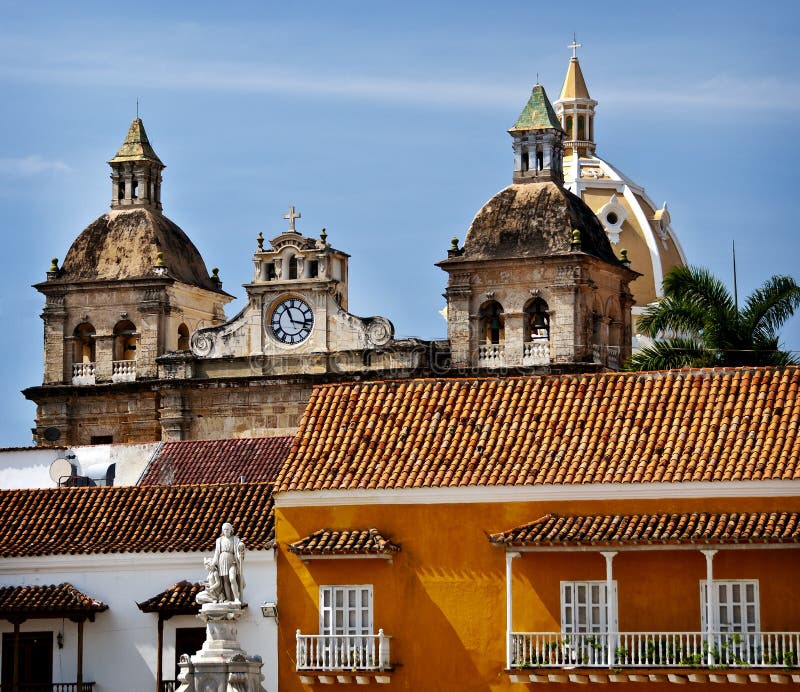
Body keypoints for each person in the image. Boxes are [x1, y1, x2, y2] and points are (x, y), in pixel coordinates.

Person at [211, 522, 246, 604]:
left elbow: (238, 550)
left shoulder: (235, 539)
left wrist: (240, 552)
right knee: (225, 581)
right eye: (224, 529)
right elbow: (217, 553)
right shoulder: (219, 540)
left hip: (232, 561)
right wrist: (213, 562)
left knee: (232, 578)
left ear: (231, 530)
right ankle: (228, 599)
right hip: (222, 561)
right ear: (222, 530)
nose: (226, 530)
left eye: (227, 529)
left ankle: (236, 598)